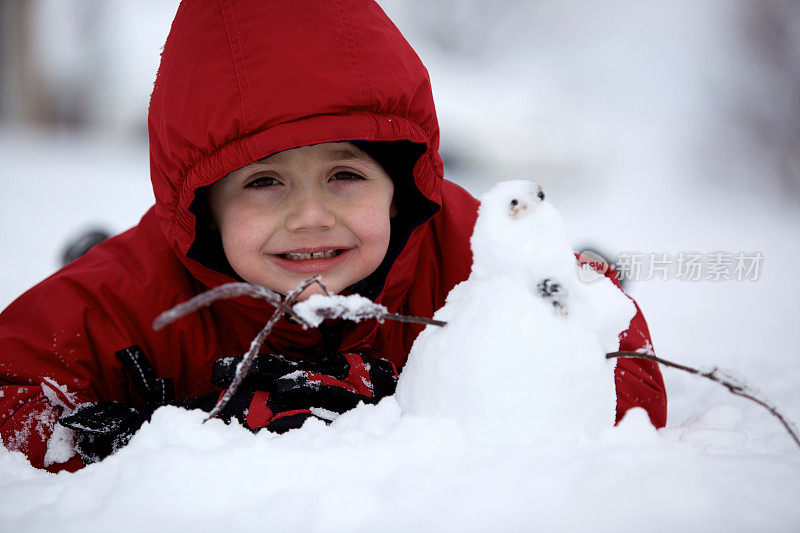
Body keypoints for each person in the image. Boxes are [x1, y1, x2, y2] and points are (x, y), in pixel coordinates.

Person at [0, 0, 667, 473]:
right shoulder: (146, 282)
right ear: (203, 205)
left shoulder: (461, 251)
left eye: (345, 175)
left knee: (580, 277)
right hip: (152, 301)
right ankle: (86, 246)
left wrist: (410, 405)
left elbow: (615, 354)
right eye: (265, 182)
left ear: (400, 186)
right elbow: (14, 385)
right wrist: (124, 442)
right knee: (96, 271)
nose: (311, 215)